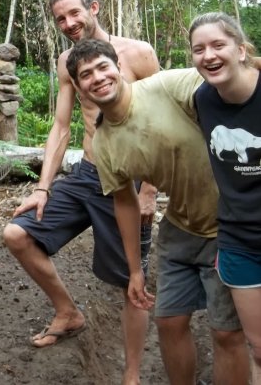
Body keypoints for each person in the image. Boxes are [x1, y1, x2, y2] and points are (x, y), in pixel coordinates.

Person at [67, 38, 249, 385]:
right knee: (168, 322)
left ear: (118, 68)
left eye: (103, 67)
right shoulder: (104, 143)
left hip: (229, 225)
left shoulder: (166, 86)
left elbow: (228, 81)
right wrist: (135, 270)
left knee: (226, 332)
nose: (97, 78)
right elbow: (125, 203)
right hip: (179, 228)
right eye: (86, 74)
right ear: (79, 87)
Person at [2, 0, 158, 383]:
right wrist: (42, 187)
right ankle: (68, 312)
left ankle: (132, 373)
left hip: (129, 180)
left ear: (94, 7)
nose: (69, 24)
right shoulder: (66, 61)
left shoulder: (138, 53)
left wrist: (149, 192)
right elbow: (60, 126)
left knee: (131, 283)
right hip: (87, 173)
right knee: (17, 235)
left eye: (74, 13)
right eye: (60, 19)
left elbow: (163, 124)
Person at [189, 13, 261, 384]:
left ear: (241, 49)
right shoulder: (203, 99)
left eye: (218, 45)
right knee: (259, 348)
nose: (209, 55)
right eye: (199, 49)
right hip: (239, 239)